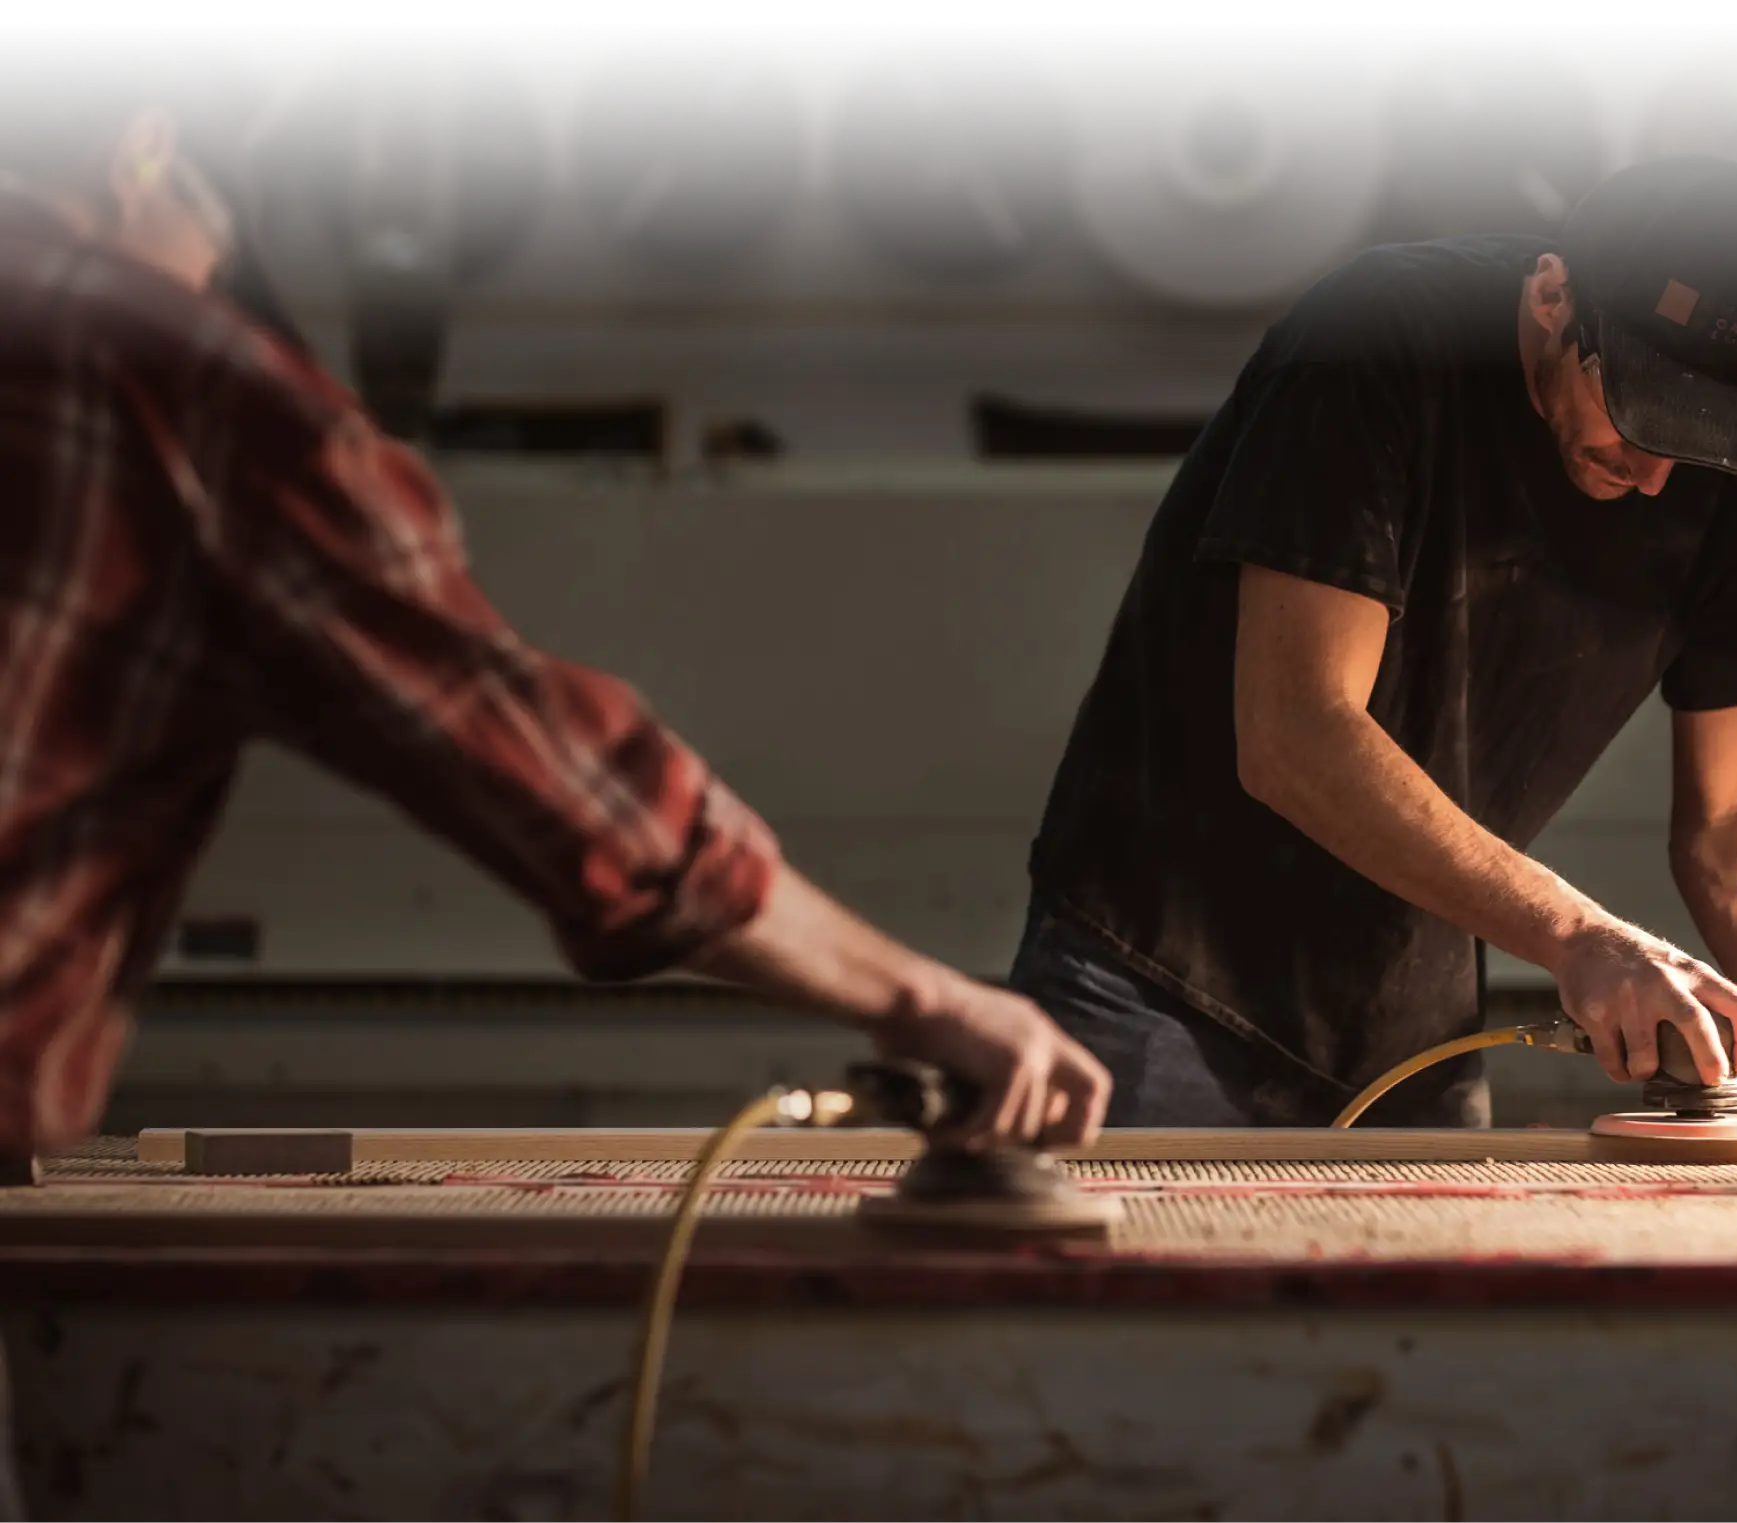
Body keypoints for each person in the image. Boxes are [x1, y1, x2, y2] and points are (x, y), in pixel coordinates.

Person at [0, 41, 1112, 1516]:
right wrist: (932, 999)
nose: (202, 295)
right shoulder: (171, 379)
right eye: (208, 257)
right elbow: (580, 802)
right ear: (140, 156)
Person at [1013, 152, 1737, 1158]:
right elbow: (1294, 731)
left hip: (1413, 1018)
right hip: (1160, 985)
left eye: (1700, 433)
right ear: (1550, 297)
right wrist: (1585, 937)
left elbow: (1735, 810)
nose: (1660, 473)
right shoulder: (1376, 344)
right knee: (1123, 1305)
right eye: (1639, 409)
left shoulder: (1728, 459)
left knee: (1428, 1310)